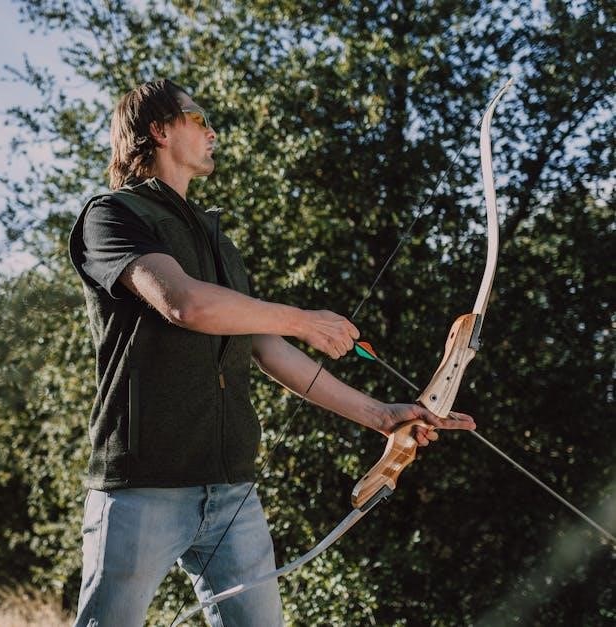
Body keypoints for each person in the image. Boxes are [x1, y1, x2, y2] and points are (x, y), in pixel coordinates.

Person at [68, 79, 475, 627]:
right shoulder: (113, 216)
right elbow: (184, 303)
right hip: (143, 485)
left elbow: (263, 344)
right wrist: (304, 320)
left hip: (231, 488)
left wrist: (383, 417)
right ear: (159, 130)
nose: (213, 132)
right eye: (199, 118)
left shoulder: (216, 238)